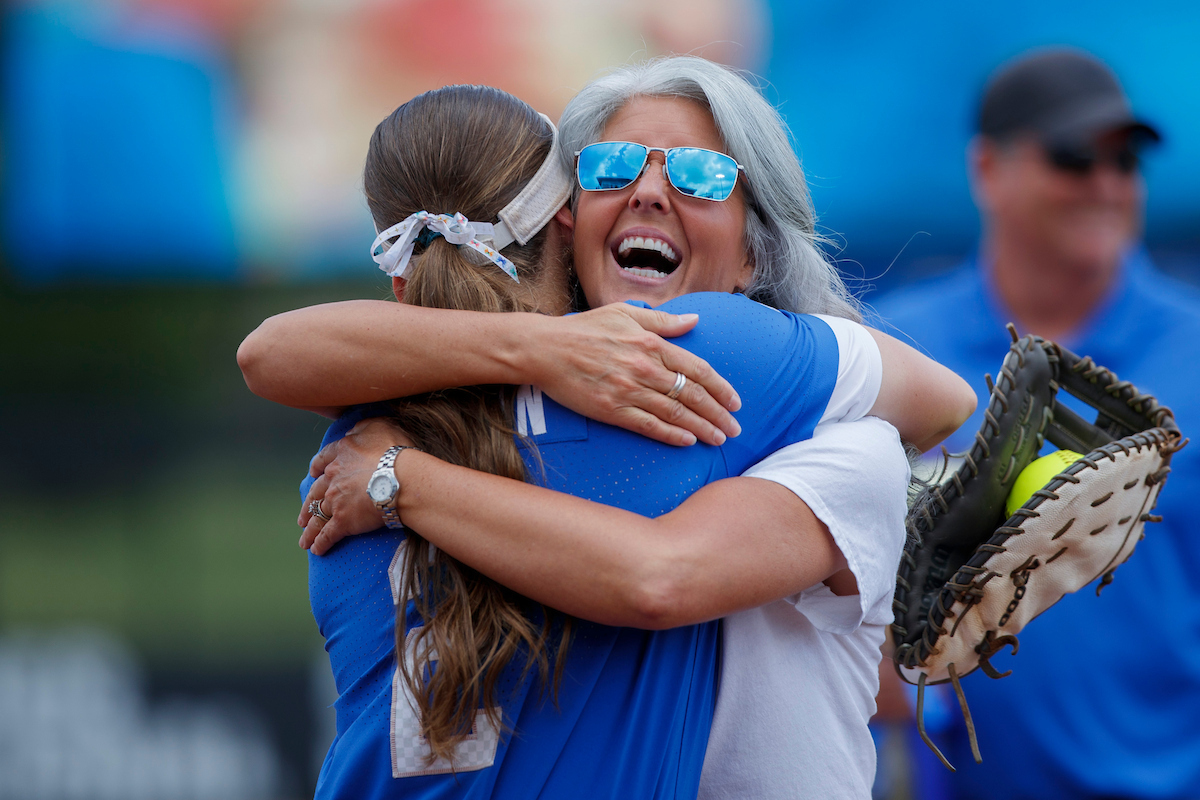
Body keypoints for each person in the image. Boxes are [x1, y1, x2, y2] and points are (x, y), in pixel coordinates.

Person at [239, 58, 975, 799]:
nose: (648, 191)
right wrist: (546, 349)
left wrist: (401, 476)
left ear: (755, 251)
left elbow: (266, 354)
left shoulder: (359, 430)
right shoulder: (721, 353)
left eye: (702, 175)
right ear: (567, 221)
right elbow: (947, 399)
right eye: (611, 167)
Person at [874, 47, 1200, 799]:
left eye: (1126, 160)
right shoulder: (893, 349)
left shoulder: (1193, 350)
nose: (1105, 183)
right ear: (988, 170)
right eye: (1073, 156)